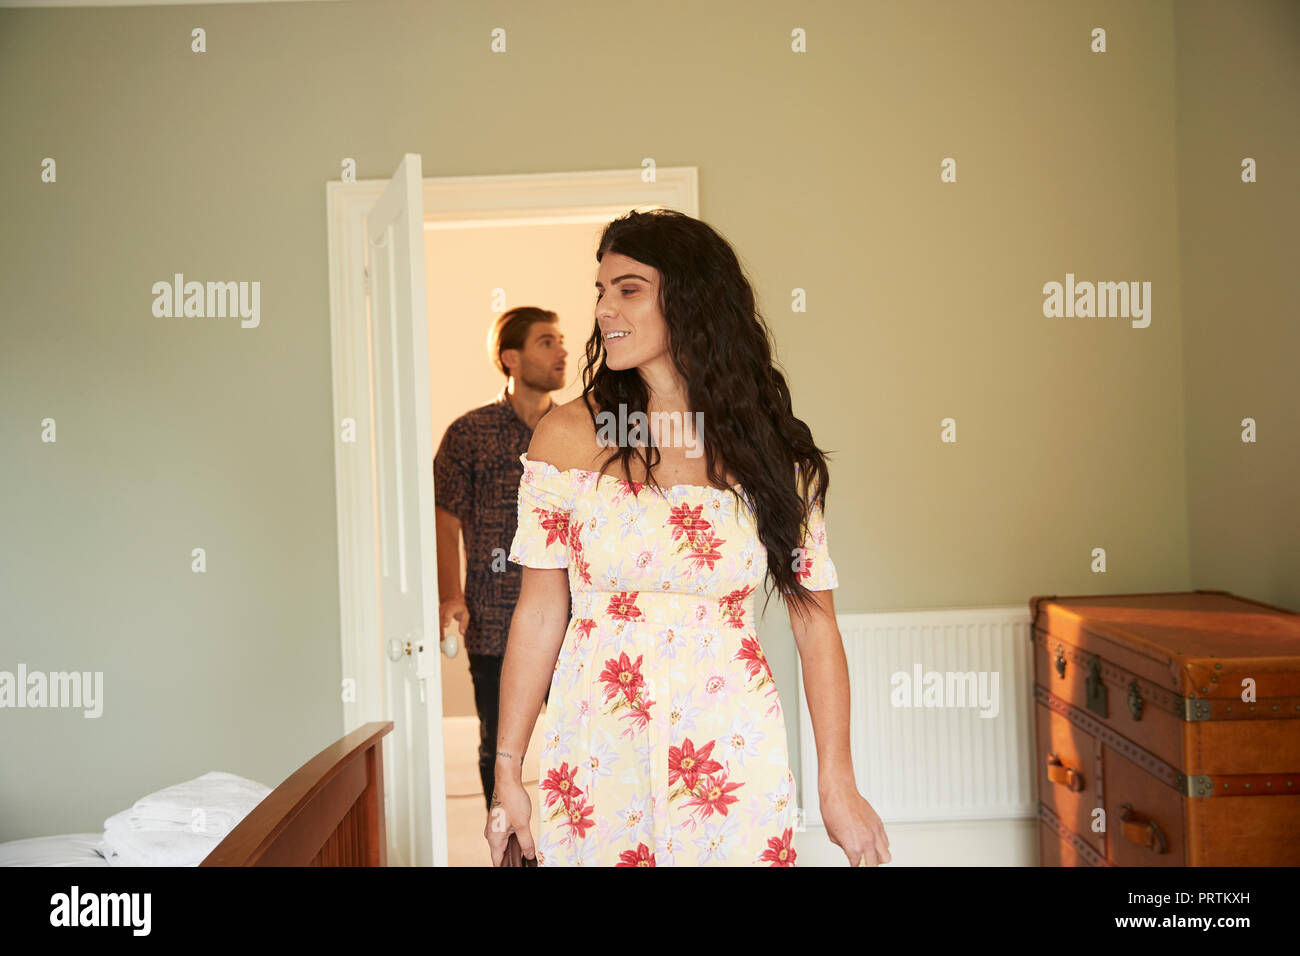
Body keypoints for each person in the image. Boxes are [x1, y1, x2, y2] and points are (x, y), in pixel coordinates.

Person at [484, 209, 891, 867]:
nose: (605, 308)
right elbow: (538, 613)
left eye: (629, 288)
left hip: (728, 750)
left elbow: (816, 626)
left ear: (691, 299)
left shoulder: (766, 451)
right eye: (600, 290)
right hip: (596, 749)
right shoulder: (567, 438)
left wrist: (835, 780)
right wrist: (508, 767)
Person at [433, 307, 567, 812]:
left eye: (560, 340)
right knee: (499, 747)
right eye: (546, 342)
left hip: (570, 617)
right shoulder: (468, 433)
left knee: (577, 742)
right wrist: (450, 595)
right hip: (493, 619)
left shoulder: (577, 429)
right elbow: (446, 522)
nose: (562, 352)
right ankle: (508, 849)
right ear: (511, 358)